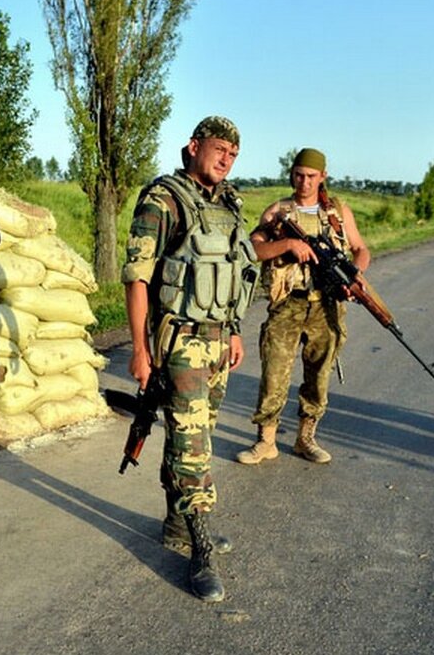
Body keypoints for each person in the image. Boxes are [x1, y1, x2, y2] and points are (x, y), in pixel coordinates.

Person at [122, 116, 258, 603]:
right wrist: (140, 350)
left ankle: (178, 525)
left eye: (234, 154)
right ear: (194, 146)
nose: (226, 160)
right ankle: (199, 549)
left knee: (195, 436)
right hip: (180, 340)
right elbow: (137, 277)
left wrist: (235, 331)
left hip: (220, 338)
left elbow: (237, 273)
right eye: (220, 149)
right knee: (193, 446)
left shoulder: (228, 203)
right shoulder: (164, 201)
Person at [236, 148, 371, 466]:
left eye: (311, 176)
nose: (304, 181)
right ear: (291, 174)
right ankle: (266, 442)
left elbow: (360, 248)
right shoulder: (278, 211)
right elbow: (253, 249)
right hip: (288, 304)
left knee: (318, 376)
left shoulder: (337, 212)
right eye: (299, 175)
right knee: (274, 373)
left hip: (326, 307)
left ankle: (305, 438)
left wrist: (355, 277)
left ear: (323, 176)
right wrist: (287, 245)